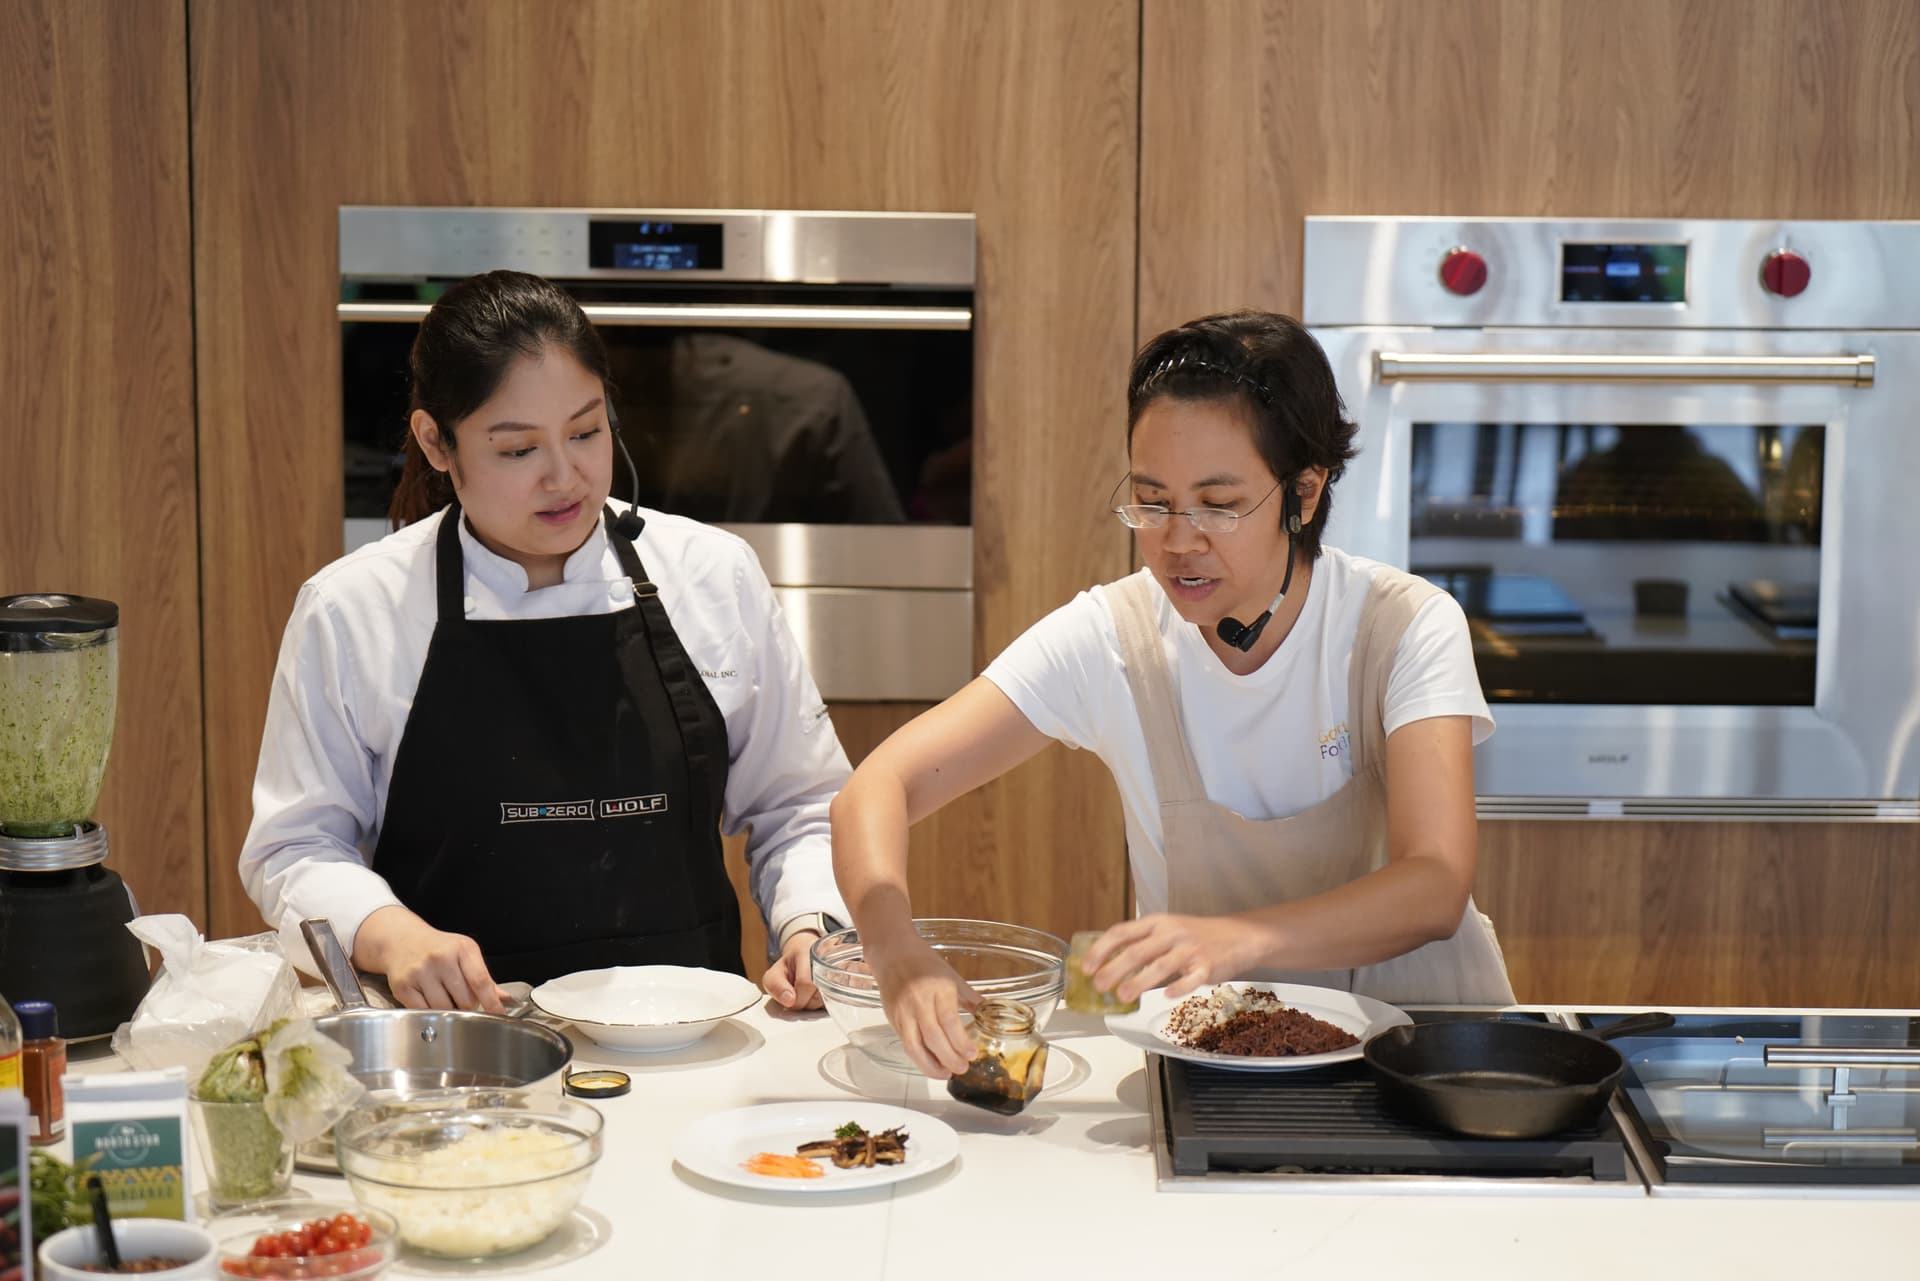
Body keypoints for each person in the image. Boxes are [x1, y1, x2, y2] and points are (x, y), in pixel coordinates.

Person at [831, 311, 1514, 1078]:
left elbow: (1435, 883)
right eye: (1153, 501)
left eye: (1219, 504)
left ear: (1306, 493)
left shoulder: (1404, 627)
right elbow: (874, 789)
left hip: (1431, 1059)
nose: (1178, 539)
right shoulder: (1113, 637)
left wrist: (1233, 939)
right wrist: (895, 952)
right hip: (1221, 1063)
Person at [239, 270, 850, 1012]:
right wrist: (391, 933)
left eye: (586, 432)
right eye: (518, 449)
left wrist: (811, 925)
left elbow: (803, 804)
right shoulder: (352, 609)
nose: (565, 477)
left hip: (690, 1041)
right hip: (462, 1055)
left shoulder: (712, 575)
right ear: (437, 441)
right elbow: (294, 847)